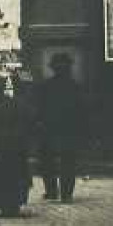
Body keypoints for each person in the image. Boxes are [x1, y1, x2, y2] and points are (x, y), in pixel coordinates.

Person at [37, 52, 86, 202]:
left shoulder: (46, 86)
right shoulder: (75, 87)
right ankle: (66, 194)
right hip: (68, 130)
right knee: (68, 162)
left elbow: (39, 108)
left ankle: (51, 191)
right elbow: (82, 111)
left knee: (47, 161)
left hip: (49, 129)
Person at [0, 74, 31, 217]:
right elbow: (24, 122)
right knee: (14, 175)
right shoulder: (14, 103)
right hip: (14, 145)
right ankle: (13, 204)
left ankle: (2, 202)